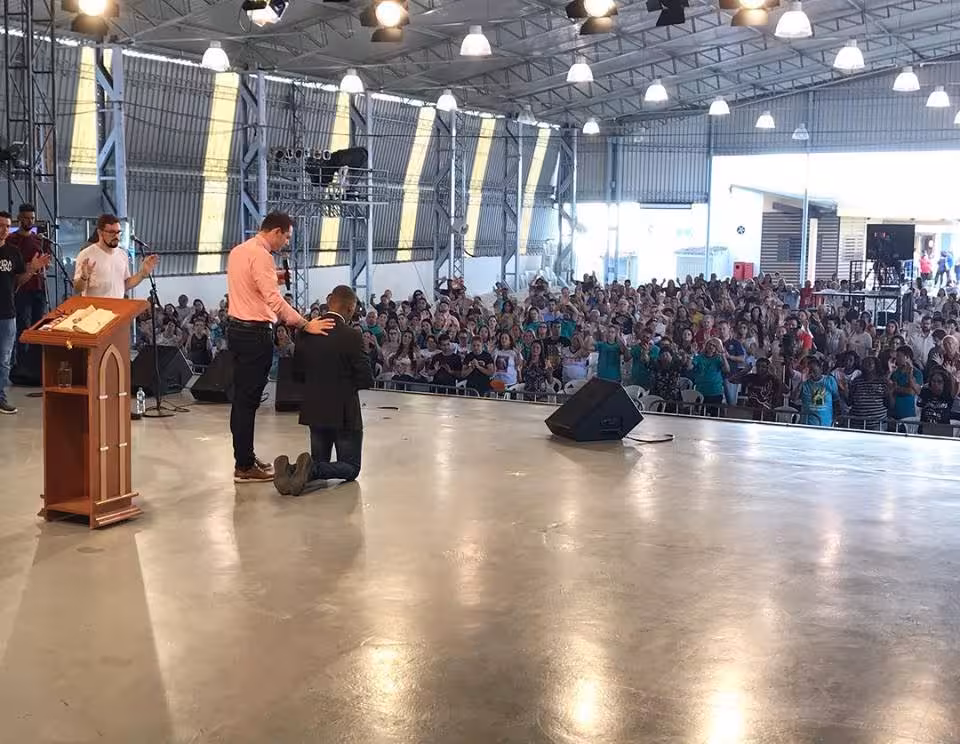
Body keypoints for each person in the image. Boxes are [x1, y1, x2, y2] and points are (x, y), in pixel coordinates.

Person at [226, 212, 333, 483]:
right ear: (275, 231)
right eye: (286, 237)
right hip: (254, 334)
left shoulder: (239, 251)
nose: (286, 242)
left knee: (241, 399)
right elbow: (273, 300)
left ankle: (245, 457)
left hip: (236, 330)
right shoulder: (262, 256)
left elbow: (253, 281)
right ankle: (244, 466)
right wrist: (304, 323)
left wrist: (276, 277)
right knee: (248, 402)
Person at [274, 285, 374, 496]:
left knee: (318, 459)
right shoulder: (352, 335)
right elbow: (366, 378)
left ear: (329, 303)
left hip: (314, 408)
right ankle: (307, 470)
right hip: (344, 412)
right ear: (350, 308)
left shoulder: (306, 332)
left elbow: (297, 374)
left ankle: (292, 470)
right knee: (351, 467)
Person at [0, 211, 50, 414]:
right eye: (0, 225)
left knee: (4, 360)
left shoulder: (13, 252)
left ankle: (0, 398)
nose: (4, 230)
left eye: (6, 226)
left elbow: (18, 282)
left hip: (7, 312)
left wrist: (32, 269)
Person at [73, 214, 159, 298]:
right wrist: (84, 277)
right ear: (100, 232)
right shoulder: (86, 254)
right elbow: (77, 289)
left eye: (118, 232)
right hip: (95, 307)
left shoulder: (122, 254)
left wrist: (142, 274)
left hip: (117, 306)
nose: (116, 236)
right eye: (111, 232)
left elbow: (125, 284)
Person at [7, 204, 46, 365]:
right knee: (23, 325)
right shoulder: (11, 240)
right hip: (21, 288)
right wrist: (30, 266)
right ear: (19, 218)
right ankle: (21, 364)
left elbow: (42, 259)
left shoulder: (38, 240)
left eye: (32, 218)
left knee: (39, 324)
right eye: (26, 218)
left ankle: (36, 363)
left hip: (38, 287)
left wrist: (43, 265)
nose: (30, 221)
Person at [799, 356, 840, 427]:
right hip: (806, 424)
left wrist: (835, 419)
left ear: (821, 369)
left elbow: (836, 401)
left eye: (814, 371)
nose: (812, 374)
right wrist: (801, 382)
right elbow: (794, 397)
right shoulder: (805, 383)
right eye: (810, 372)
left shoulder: (830, 380)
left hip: (825, 424)